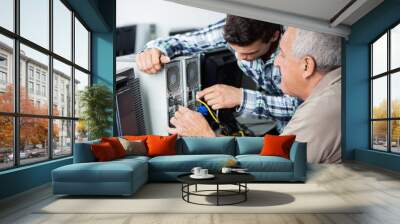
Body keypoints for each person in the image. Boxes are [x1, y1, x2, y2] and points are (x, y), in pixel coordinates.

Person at [136, 15, 302, 137]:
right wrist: (155, 51)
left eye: (250, 53)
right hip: (278, 130)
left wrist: (242, 98)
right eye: (234, 50)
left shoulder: (297, 45)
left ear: (274, 36)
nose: (239, 57)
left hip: (302, 131)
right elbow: (182, 42)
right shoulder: (235, 27)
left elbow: (304, 106)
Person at [274, 27, 342, 163]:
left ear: (306, 66)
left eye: (282, 54)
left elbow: (267, 171)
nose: (276, 62)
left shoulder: (319, 111)